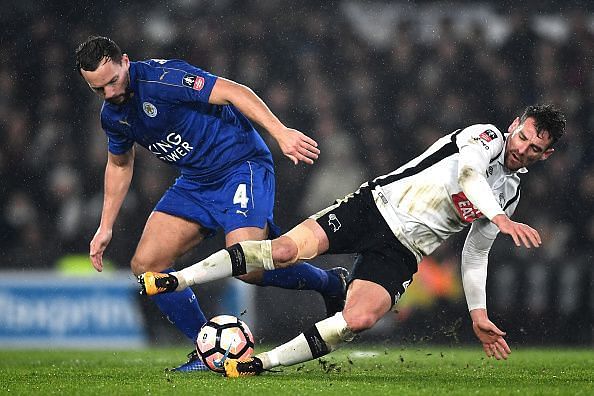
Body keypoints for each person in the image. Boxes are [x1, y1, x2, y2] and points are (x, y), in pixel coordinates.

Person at [138, 105, 566, 376]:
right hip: (374, 206)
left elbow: (475, 253)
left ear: (544, 156)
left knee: (359, 320)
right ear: (514, 125)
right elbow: (470, 173)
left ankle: (257, 364)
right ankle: (178, 280)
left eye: (534, 147)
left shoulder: (509, 194)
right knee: (283, 251)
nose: (522, 147)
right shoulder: (486, 136)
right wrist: (496, 216)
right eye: (523, 135)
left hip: (404, 250)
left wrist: (478, 313)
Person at [75, 36, 349, 372]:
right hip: (195, 182)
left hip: (241, 165)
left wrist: (280, 133)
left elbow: (235, 92)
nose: (110, 94)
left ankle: (330, 283)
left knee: (247, 266)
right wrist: (105, 226)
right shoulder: (112, 116)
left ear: (126, 62)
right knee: (147, 265)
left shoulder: (165, 79)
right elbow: (119, 164)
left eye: (113, 81)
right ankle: (207, 354)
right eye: (98, 89)